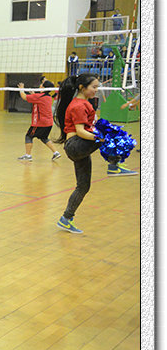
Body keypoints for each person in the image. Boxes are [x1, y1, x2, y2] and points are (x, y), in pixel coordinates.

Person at [53, 74, 137, 234]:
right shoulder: (78, 105)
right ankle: (114, 165)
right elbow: (80, 131)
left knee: (83, 186)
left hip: (79, 148)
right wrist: (100, 138)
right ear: (82, 87)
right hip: (76, 145)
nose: (96, 90)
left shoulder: (84, 103)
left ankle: (66, 219)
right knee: (109, 135)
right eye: (94, 87)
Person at [17, 80, 61, 161]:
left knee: (29, 136)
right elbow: (38, 100)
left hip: (40, 123)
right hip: (49, 123)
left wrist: (21, 89)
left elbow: (24, 97)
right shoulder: (48, 97)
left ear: (43, 87)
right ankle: (56, 152)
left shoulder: (39, 97)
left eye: (42, 84)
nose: (40, 85)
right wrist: (33, 94)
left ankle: (28, 155)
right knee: (44, 138)